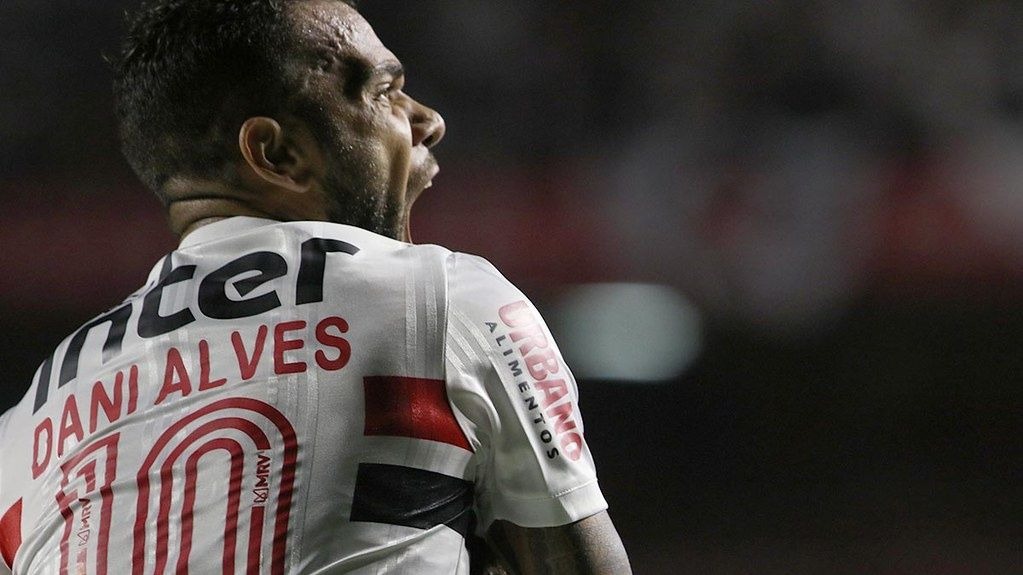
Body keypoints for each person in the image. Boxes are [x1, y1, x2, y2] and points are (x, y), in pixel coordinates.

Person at [0, 1, 631, 574]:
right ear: (276, 154)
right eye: (384, 92)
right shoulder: (439, 299)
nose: (429, 120)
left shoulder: (24, 428)